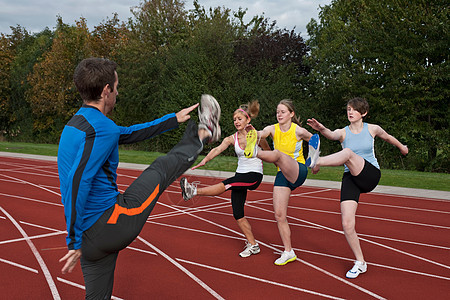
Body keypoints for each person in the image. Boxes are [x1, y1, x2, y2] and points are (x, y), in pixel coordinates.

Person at [57, 57, 221, 299]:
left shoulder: (76, 124)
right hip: (111, 225)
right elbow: (76, 181)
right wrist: (72, 240)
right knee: (161, 168)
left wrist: (171, 120)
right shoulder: (100, 129)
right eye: (117, 86)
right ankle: (204, 133)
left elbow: (127, 134)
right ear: (106, 91)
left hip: (91, 241)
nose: (118, 92)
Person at [306, 97, 408, 279]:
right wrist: (321, 129)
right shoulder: (343, 132)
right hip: (351, 177)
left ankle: (317, 160)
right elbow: (331, 134)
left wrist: (402, 147)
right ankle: (360, 262)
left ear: (364, 113)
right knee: (347, 224)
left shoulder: (372, 128)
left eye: (354, 109)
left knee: (347, 153)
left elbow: (388, 137)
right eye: (348, 109)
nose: (350, 112)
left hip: (370, 174)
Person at [180, 100, 270, 258]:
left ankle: (193, 191)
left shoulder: (256, 135)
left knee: (228, 183)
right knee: (238, 214)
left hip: (254, 175)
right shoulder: (231, 138)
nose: (236, 122)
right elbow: (217, 149)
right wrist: (204, 160)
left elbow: (269, 152)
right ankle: (253, 245)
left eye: (239, 119)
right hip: (240, 175)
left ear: (248, 120)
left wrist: (280, 164)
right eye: (234, 119)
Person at [244, 99, 315, 266]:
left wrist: (314, 161)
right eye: (277, 111)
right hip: (283, 174)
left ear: (291, 114)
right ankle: (288, 251)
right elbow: (263, 132)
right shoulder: (273, 129)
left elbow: (314, 140)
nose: (279, 114)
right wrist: (256, 134)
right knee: (279, 215)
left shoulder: (298, 130)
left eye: (283, 111)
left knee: (278, 155)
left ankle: (254, 152)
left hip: (299, 170)